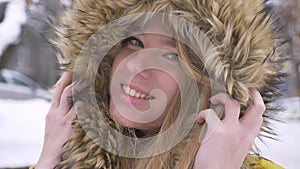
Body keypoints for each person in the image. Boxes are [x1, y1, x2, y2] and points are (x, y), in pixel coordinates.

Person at [33, 0, 286, 168]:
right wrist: (49, 161)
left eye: (171, 56)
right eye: (134, 41)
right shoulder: (61, 157)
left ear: (215, 87)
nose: (133, 66)